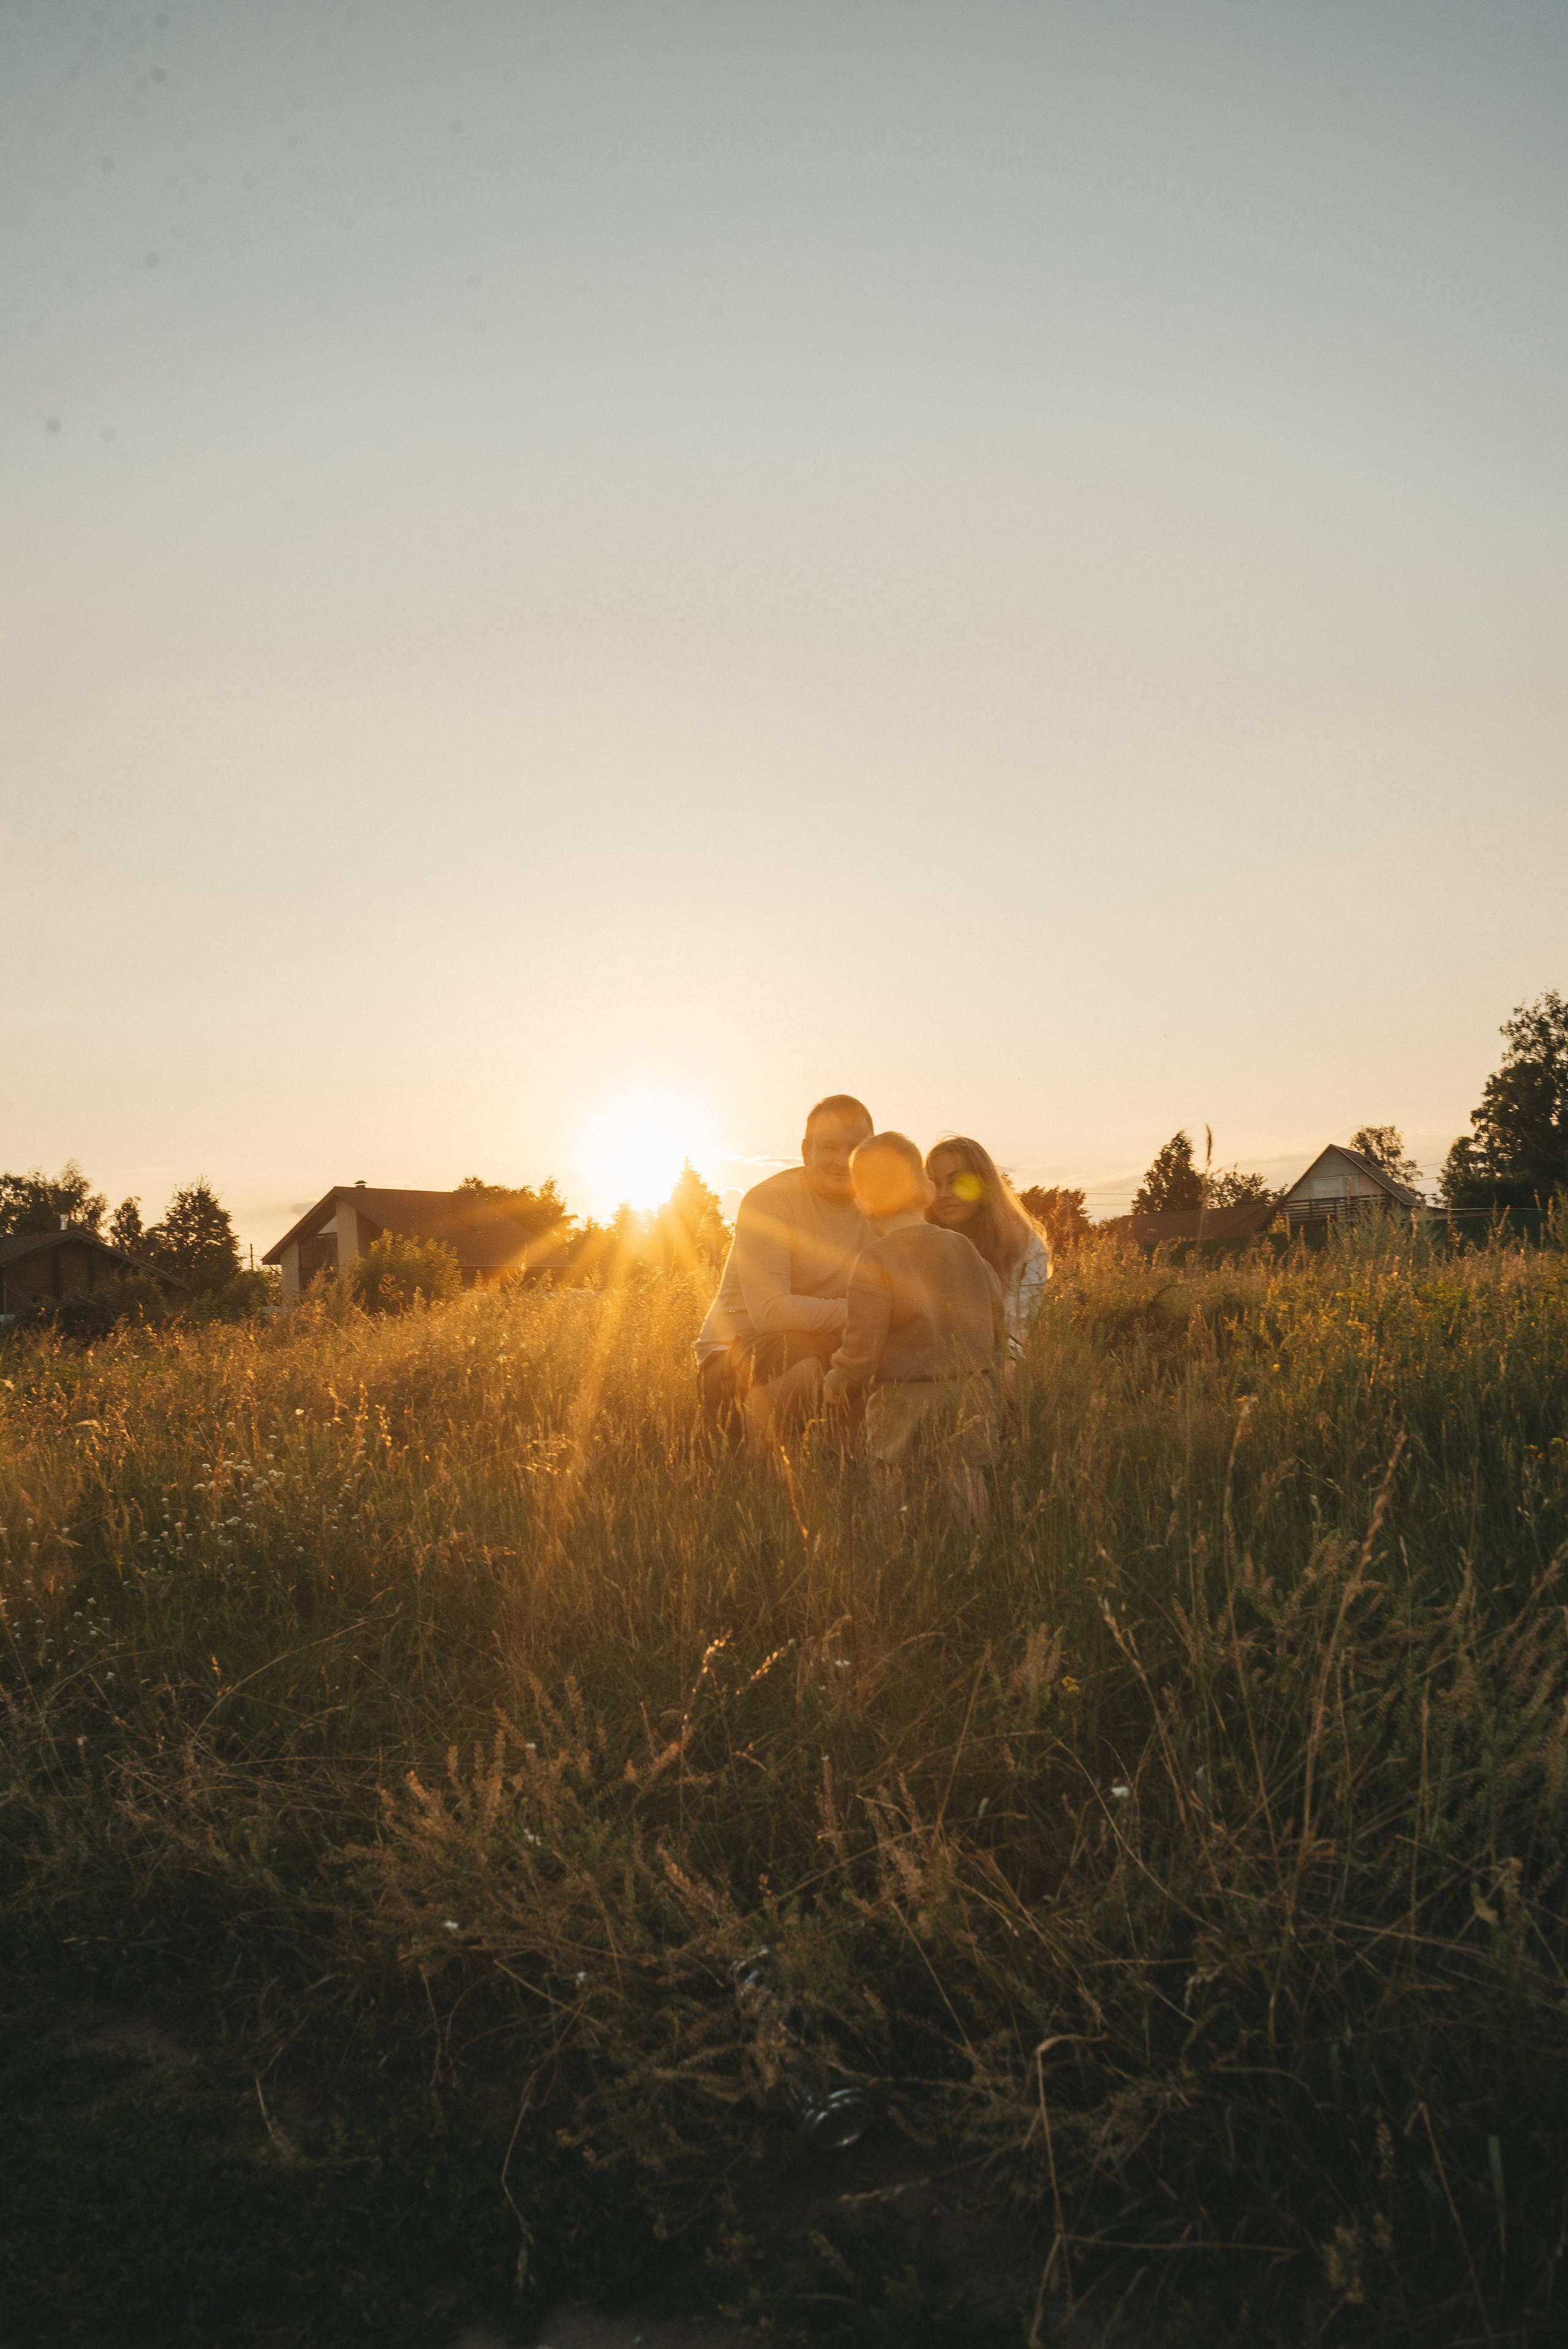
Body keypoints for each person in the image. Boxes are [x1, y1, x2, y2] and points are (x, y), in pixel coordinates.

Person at [823, 1131, 1006, 1515]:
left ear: (864, 1201)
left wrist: (839, 1378)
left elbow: (862, 1349)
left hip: (903, 1394)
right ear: (925, 1190)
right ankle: (976, 1545)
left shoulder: (875, 1260)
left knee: (888, 1467)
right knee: (965, 1474)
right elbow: (996, 1313)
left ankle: (892, 1542)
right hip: (970, 1387)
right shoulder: (964, 1248)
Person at [696, 1094, 875, 1442]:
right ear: (807, 1151)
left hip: (830, 1344)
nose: (843, 1161)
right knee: (806, 1366)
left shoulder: (883, 1209)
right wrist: (869, 1313)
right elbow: (771, 1312)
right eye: (829, 1147)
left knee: (899, 1362)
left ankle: (850, 1470)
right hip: (739, 1349)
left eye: (855, 1148)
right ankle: (757, 1473)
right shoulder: (769, 1201)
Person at [924, 1136, 1050, 1372]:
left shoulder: (1025, 1246)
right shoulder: (919, 1241)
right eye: (934, 1183)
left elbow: (1014, 1332)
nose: (943, 1194)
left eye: (956, 1182)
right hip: (927, 1367)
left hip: (992, 1364)